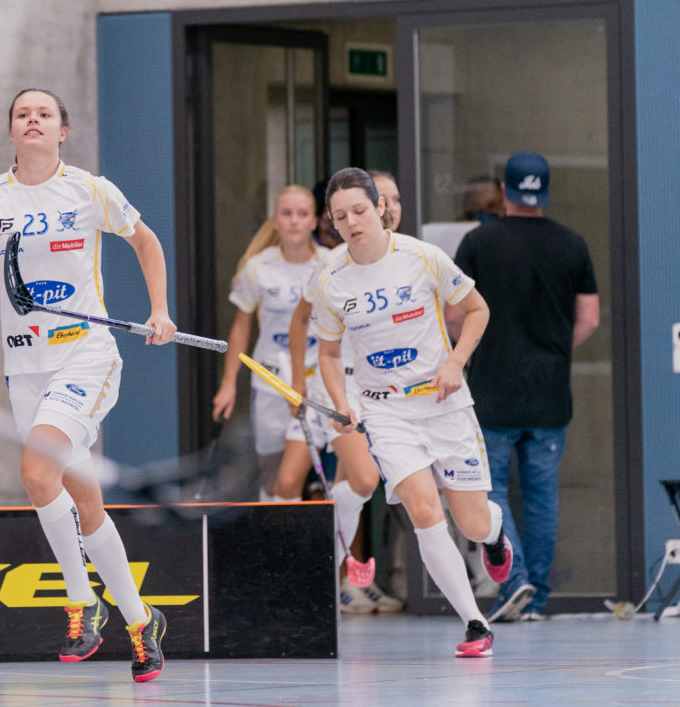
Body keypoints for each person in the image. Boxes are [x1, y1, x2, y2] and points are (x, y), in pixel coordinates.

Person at [0, 87, 174, 683]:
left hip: (86, 358)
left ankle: (80, 602)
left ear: (62, 130)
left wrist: (160, 311)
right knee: (85, 501)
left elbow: (145, 241)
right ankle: (141, 621)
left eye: (45, 113)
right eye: (24, 114)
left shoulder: (90, 189)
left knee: (36, 471)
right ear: (11, 131)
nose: (34, 120)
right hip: (25, 368)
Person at [311, 167, 513, 658]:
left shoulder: (424, 258)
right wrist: (343, 404)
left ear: (380, 206)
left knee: (470, 521)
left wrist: (455, 363)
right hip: (385, 413)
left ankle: (494, 532)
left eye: (360, 210)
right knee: (424, 512)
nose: (352, 222)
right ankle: (475, 623)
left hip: (444, 404)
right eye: (341, 217)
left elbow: (479, 310)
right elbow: (330, 355)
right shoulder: (330, 281)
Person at [452, 151, 599, 623]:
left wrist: (472, 350)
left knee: (487, 491)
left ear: (504, 192)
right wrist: (554, 348)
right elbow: (589, 319)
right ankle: (534, 599)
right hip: (549, 394)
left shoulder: (477, 242)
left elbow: (455, 315)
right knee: (541, 497)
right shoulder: (572, 245)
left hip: (492, 390)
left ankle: (512, 582)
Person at [286, 170, 402, 616]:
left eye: (391, 199)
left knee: (351, 489)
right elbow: (301, 320)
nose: (384, 207)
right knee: (366, 478)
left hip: (389, 391)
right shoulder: (333, 263)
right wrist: (298, 379)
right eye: (347, 212)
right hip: (341, 386)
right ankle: (319, 578)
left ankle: (316, 583)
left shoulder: (411, 258)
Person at [211, 185, 328, 502]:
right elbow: (240, 327)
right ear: (275, 221)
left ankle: (290, 550)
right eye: (286, 214)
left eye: (302, 214)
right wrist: (228, 384)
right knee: (271, 483)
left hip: (314, 386)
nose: (294, 221)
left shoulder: (329, 265)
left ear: (315, 221)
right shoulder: (258, 267)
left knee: (289, 483)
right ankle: (272, 549)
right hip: (268, 382)